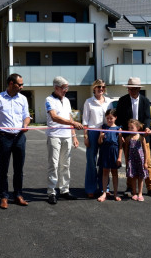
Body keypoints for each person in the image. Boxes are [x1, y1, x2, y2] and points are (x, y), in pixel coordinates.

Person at [0, 73, 30, 209]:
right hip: (5, 137)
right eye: (20, 84)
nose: (22, 87)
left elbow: (27, 116)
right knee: (3, 168)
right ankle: (4, 197)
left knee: (19, 169)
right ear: (11, 84)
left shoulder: (23, 99)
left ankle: (18, 195)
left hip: (19, 137)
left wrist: (25, 125)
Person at [115, 77, 151, 199]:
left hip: (142, 137)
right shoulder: (122, 100)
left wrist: (147, 128)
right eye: (130, 88)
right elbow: (119, 119)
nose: (133, 91)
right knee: (130, 162)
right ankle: (130, 187)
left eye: (135, 89)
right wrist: (120, 131)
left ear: (139, 89)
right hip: (128, 137)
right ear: (128, 89)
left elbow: (147, 118)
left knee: (147, 163)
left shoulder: (145, 101)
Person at [45, 76, 84, 205]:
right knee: (54, 165)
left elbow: (68, 116)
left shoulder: (67, 100)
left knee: (65, 164)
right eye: (64, 88)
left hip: (67, 136)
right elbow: (54, 117)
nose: (66, 90)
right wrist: (73, 122)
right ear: (56, 88)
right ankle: (51, 192)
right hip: (54, 136)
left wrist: (74, 136)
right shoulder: (49, 100)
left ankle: (65, 190)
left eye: (67, 87)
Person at [82, 79, 112, 198]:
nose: (101, 89)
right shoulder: (89, 102)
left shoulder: (108, 101)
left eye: (103, 87)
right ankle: (90, 188)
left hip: (105, 132)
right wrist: (85, 136)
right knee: (91, 161)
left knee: (104, 161)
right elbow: (85, 121)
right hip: (92, 132)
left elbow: (111, 117)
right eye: (99, 87)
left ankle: (105, 187)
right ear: (94, 88)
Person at [97, 109, 123, 202]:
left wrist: (119, 157)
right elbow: (99, 143)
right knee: (105, 172)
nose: (109, 120)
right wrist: (101, 137)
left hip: (114, 153)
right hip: (105, 152)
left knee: (115, 173)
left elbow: (120, 145)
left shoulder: (118, 129)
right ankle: (104, 192)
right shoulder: (103, 127)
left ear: (115, 118)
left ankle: (115, 193)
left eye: (111, 118)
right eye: (107, 118)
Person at [124, 119, 149, 201]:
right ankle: (134, 193)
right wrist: (127, 161)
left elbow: (145, 151)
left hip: (140, 160)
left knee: (141, 177)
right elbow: (126, 151)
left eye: (132, 127)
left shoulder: (141, 138)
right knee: (133, 177)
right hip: (132, 160)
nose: (130, 129)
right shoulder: (128, 138)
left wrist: (145, 162)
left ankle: (140, 193)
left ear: (138, 128)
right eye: (129, 127)